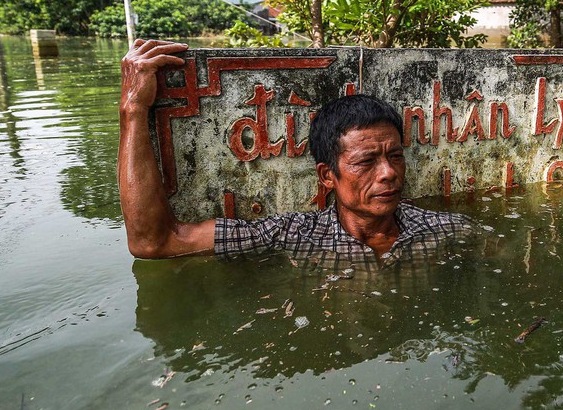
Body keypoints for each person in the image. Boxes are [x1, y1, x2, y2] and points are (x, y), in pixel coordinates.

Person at [118, 39, 475, 263]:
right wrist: (133, 110)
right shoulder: (293, 235)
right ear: (327, 175)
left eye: (394, 156)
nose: (388, 173)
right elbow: (156, 243)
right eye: (365, 161)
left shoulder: (443, 229)